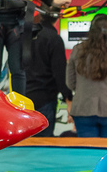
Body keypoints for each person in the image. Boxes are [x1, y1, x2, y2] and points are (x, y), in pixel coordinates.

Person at [66, 13, 107, 138]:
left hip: (83, 109)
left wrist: (84, 89)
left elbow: (70, 82)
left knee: (88, 153)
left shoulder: (77, 50)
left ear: (91, 30)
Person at [26, 7, 72, 136]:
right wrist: (68, 98)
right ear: (57, 17)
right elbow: (60, 72)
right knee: (43, 146)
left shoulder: (24, 36)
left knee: (26, 145)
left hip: (23, 98)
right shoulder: (54, 39)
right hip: (45, 99)